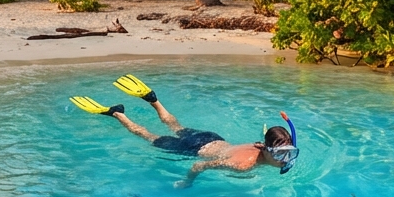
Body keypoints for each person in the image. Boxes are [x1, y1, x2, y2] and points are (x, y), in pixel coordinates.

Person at [70, 74, 298, 188]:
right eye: (280, 154)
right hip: (193, 149)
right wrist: (187, 182)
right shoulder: (244, 165)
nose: (284, 159)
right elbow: (199, 165)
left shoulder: (259, 145)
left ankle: (153, 100)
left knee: (175, 126)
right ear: (266, 149)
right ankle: (117, 113)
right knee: (148, 136)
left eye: (289, 153)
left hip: (211, 138)